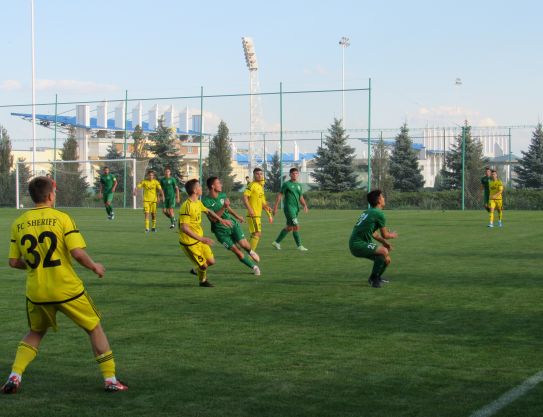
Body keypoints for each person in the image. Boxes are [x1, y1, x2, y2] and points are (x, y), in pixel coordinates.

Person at [3, 176, 127, 393]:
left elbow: (13, 262)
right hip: (66, 288)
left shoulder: (19, 222)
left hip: (37, 291)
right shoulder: (61, 218)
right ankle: (110, 380)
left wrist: (36, 265)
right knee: (94, 327)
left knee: (35, 332)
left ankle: (14, 376)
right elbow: (77, 253)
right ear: (51, 195)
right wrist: (94, 266)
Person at [203, 176, 261, 276]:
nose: (220, 185)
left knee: (244, 244)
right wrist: (223, 207)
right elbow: (213, 219)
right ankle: (254, 267)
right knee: (237, 251)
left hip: (233, 224)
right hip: (220, 232)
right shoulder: (205, 202)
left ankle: (250, 251)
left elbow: (228, 208)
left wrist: (237, 216)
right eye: (218, 183)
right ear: (212, 186)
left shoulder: (222, 195)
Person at [179, 179, 232, 287]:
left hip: (199, 240)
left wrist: (221, 220)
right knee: (204, 266)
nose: (201, 188)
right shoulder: (187, 206)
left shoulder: (198, 202)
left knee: (211, 261)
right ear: (194, 190)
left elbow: (209, 211)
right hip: (190, 243)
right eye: (199, 186)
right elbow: (184, 228)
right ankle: (202, 281)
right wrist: (202, 239)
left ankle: (196, 270)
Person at [349, 189, 398, 288]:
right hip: (358, 244)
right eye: (382, 197)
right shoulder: (378, 213)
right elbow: (385, 235)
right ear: (379, 200)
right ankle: (373, 279)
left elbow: (374, 234)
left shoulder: (369, 211)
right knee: (384, 251)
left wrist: (385, 243)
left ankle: (377, 277)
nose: (384, 198)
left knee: (386, 259)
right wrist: (391, 235)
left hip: (357, 243)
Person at [272, 167, 309, 251]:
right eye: (293, 174)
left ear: (298, 174)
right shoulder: (286, 184)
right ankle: (299, 246)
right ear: (290, 175)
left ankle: (276, 242)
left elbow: (301, 197)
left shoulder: (299, 185)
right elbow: (280, 195)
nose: (295, 175)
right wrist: (275, 207)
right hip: (289, 208)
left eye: (296, 173)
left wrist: (305, 205)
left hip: (296, 209)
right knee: (296, 226)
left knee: (289, 227)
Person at [243, 167, 273, 250]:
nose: (259, 176)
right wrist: (250, 209)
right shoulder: (252, 185)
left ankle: (247, 249)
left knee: (254, 234)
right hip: (253, 214)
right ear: (254, 175)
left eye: (261, 174)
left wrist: (268, 210)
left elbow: (262, 203)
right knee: (257, 234)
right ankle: (250, 254)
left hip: (257, 215)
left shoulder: (260, 187)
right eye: (257, 174)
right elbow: (245, 198)